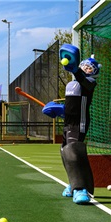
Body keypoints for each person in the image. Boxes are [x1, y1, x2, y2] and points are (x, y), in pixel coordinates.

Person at [43, 54, 101, 204]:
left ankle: (81, 189)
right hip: (69, 123)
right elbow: (72, 107)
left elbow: (82, 81)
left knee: (73, 151)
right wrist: (60, 110)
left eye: (89, 68)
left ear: (93, 72)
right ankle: (73, 183)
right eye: (84, 65)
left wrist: (76, 70)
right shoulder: (73, 84)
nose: (85, 68)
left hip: (79, 123)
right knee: (64, 151)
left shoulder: (89, 82)